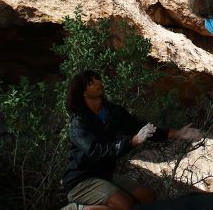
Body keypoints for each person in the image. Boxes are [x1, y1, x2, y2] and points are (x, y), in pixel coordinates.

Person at [61, 70, 201, 210]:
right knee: (125, 206)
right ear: (83, 92)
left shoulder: (112, 112)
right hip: (81, 182)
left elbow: (140, 128)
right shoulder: (79, 123)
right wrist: (132, 142)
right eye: (91, 82)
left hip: (104, 176)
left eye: (97, 79)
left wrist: (177, 133)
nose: (98, 83)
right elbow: (96, 151)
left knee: (147, 196)